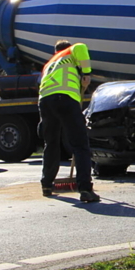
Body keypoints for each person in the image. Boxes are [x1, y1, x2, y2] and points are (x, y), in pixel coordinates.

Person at [38, 39, 99, 203]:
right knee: (80, 144)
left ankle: (46, 185)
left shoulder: (50, 64)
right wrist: (86, 73)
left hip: (45, 101)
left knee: (51, 143)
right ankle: (85, 189)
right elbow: (81, 47)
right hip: (65, 98)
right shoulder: (71, 52)